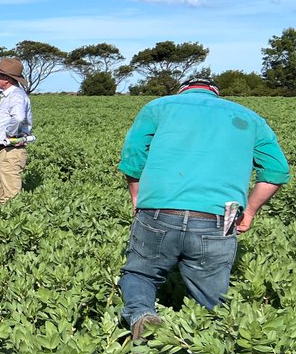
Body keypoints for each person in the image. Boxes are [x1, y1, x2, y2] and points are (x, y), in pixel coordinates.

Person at [117, 74, 290, 340]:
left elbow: (132, 157)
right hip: (220, 217)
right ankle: (208, 351)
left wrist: (136, 197)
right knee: (212, 300)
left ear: (183, 90)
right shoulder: (250, 118)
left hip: (159, 209)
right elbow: (277, 172)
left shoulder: (159, 107)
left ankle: (142, 315)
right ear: (215, 93)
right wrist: (251, 211)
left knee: (140, 273)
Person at [0, 56, 33, 203]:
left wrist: (10, 134)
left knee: (11, 199)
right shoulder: (9, 96)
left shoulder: (16, 96)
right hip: (2, 152)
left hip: (9, 152)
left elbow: (19, 118)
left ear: (7, 79)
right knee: (3, 198)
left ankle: (12, 224)